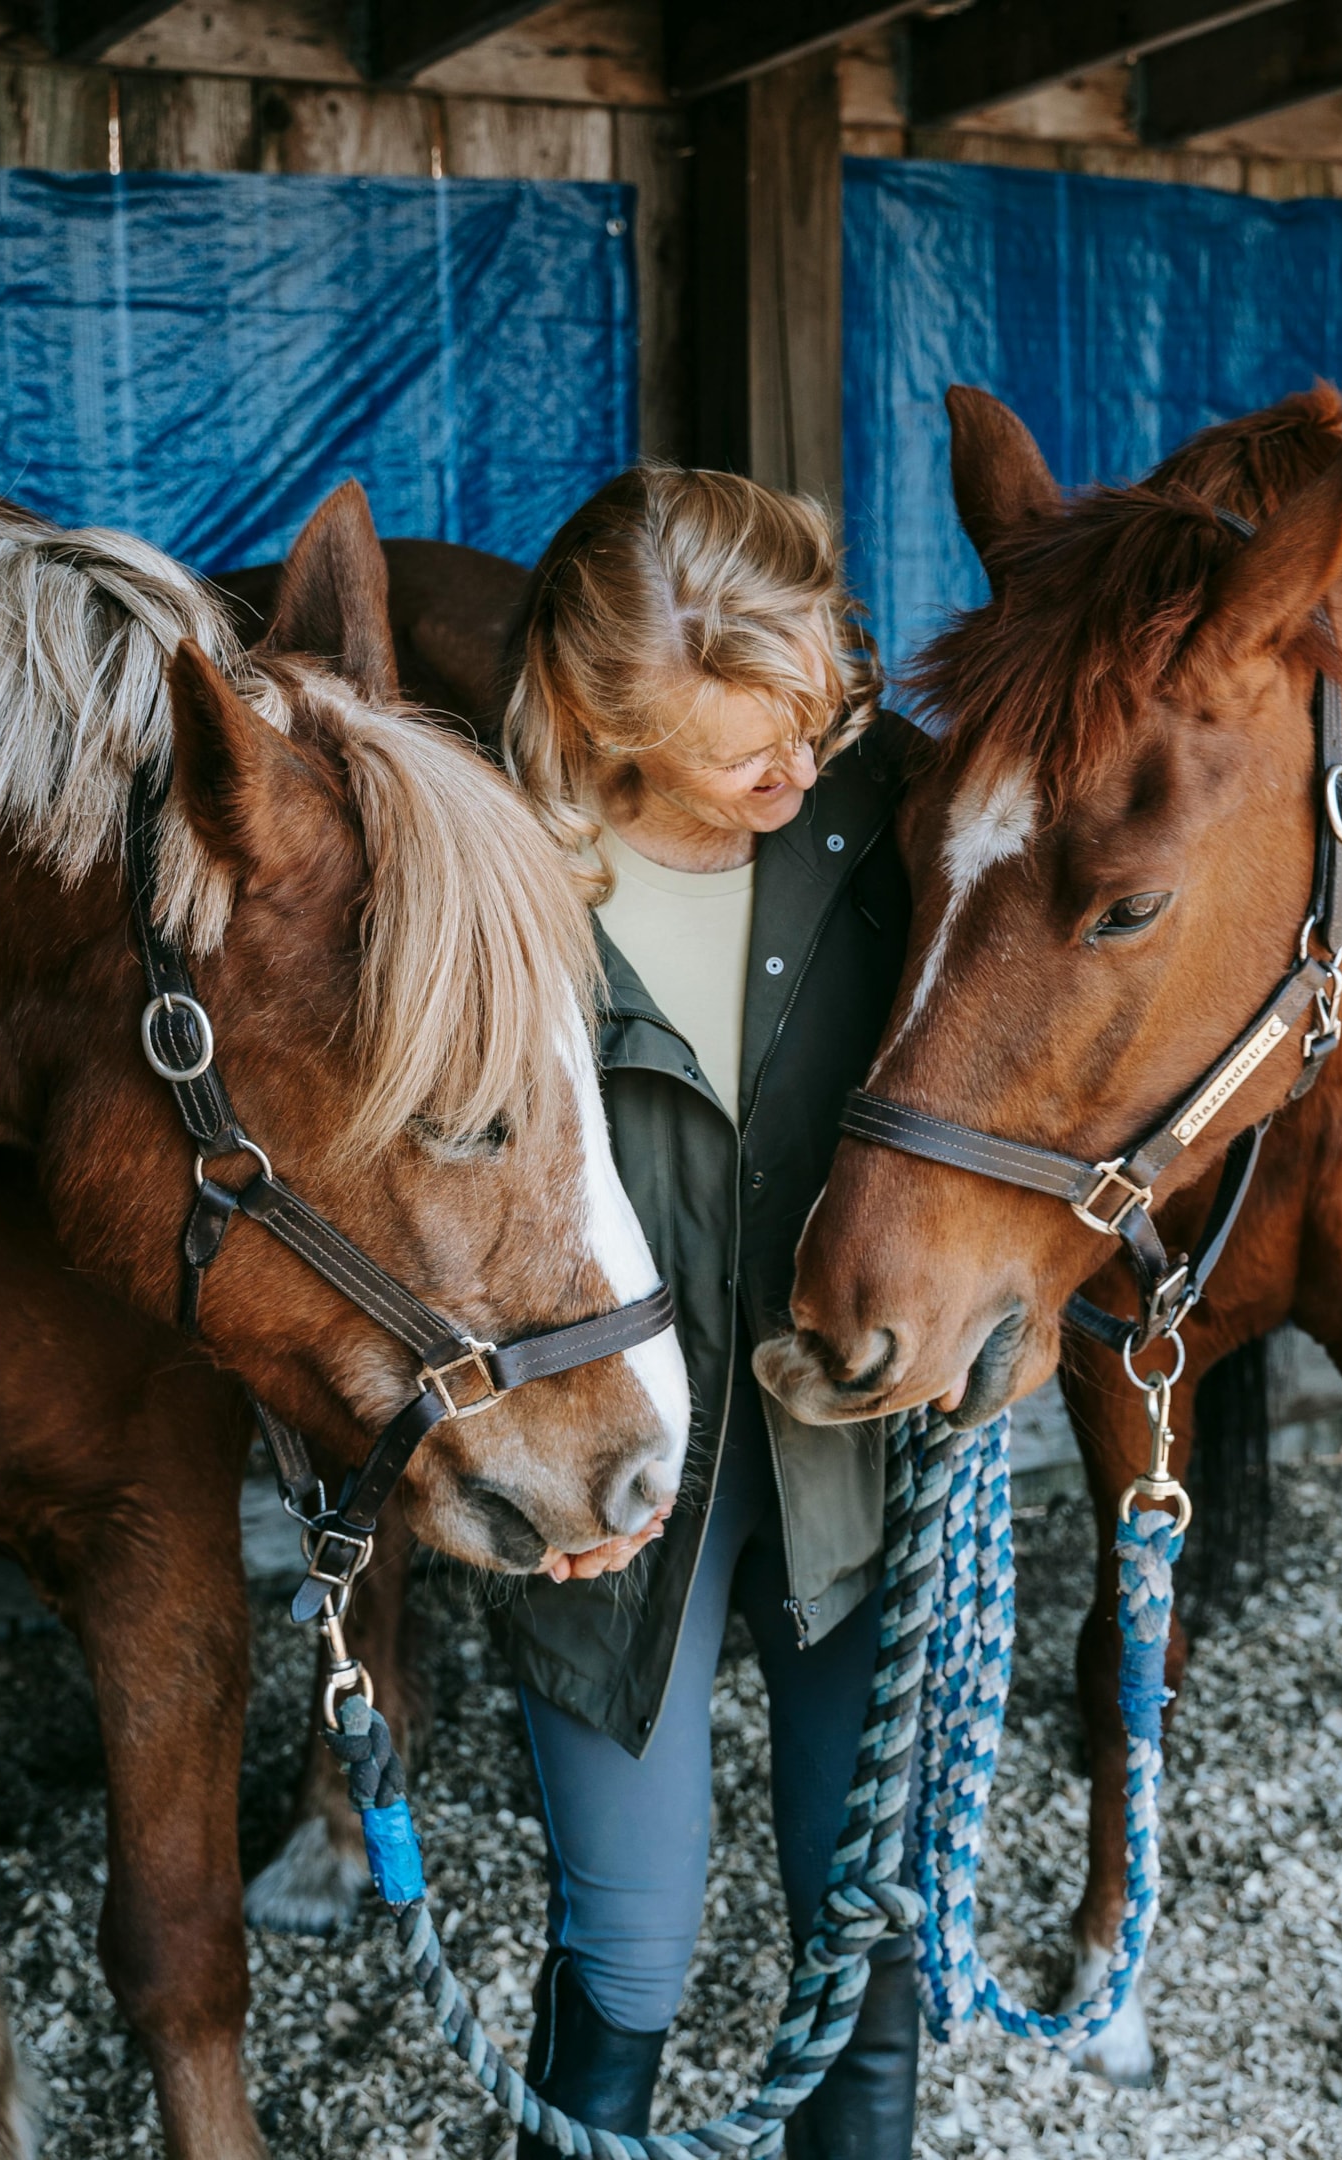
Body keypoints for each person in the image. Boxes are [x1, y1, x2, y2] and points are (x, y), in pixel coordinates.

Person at [491, 464, 919, 2156]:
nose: (802, 772)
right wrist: (519, 1460)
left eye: (816, 719)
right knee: (632, 1943)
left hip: (851, 1468)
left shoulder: (891, 818)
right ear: (612, 730)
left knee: (860, 1923)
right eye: (753, 750)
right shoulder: (506, 889)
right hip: (616, 1505)